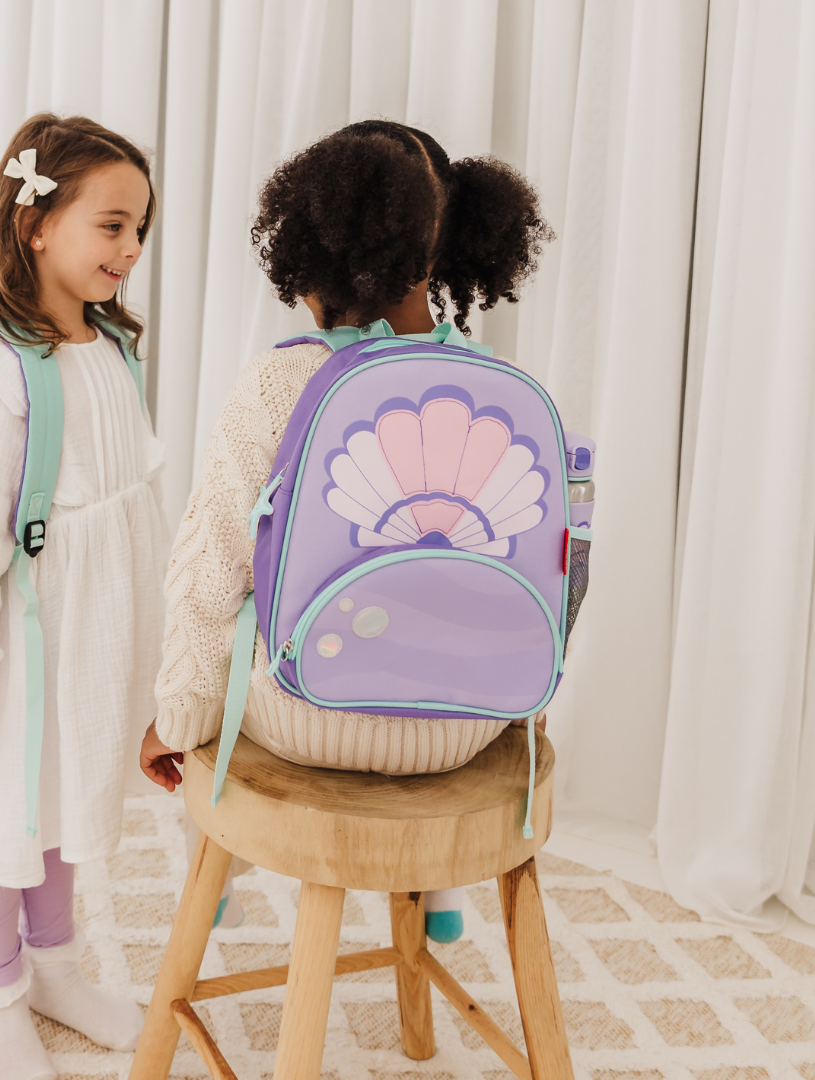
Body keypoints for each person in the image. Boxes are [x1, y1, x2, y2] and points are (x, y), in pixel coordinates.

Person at [140, 119, 553, 940]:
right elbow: (552, 573)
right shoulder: (501, 385)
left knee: (230, 635)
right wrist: (520, 715)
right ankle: (436, 888)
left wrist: (178, 722)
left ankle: (218, 875)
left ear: (310, 247)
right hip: (467, 727)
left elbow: (212, 569)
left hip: (310, 714)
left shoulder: (279, 382)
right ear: (443, 249)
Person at [0, 113, 169, 1080]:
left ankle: (54, 971)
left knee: (61, 799)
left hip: (94, 629)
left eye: (141, 228)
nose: (131, 248)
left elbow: (134, 503)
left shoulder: (113, 347)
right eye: (112, 225)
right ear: (36, 223)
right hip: (21, 634)